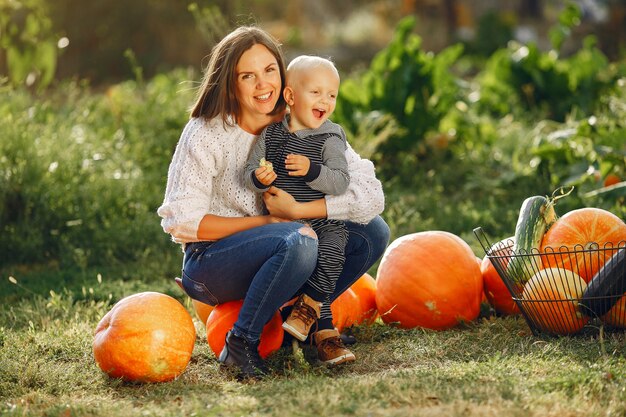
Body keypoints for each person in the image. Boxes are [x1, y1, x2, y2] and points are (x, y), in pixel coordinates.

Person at [157, 26, 389, 380]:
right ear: (229, 83)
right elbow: (182, 222)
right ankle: (241, 342)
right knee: (298, 239)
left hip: (289, 245)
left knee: (372, 232)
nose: (263, 85)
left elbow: (371, 195)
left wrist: (299, 212)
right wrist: (268, 224)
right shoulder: (208, 132)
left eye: (269, 71)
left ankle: (302, 319)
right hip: (211, 264)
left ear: (284, 76)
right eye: (247, 76)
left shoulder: (298, 119)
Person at [243, 55, 354, 365]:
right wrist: (257, 177)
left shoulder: (330, 137)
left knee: (334, 248)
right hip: (285, 226)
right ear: (290, 97)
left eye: (332, 94)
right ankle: (322, 334)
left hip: (321, 219)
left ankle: (309, 307)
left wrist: (311, 170)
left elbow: (341, 181)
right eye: (316, 92)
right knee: (307, 255)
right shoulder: (273, 134)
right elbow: (250, 169)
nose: (326, 101)